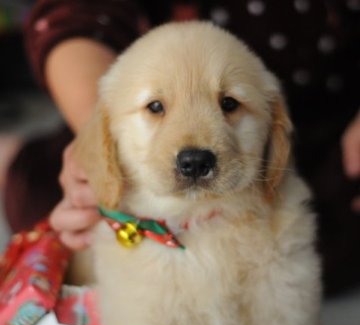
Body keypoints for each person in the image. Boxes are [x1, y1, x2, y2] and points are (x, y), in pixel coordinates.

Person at [4, 0, 360, 296]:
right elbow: (76, 15)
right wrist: (98, 137)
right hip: (132, 132)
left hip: (323, 135)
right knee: (47, 209)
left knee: (324, 253)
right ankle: (15, 155)